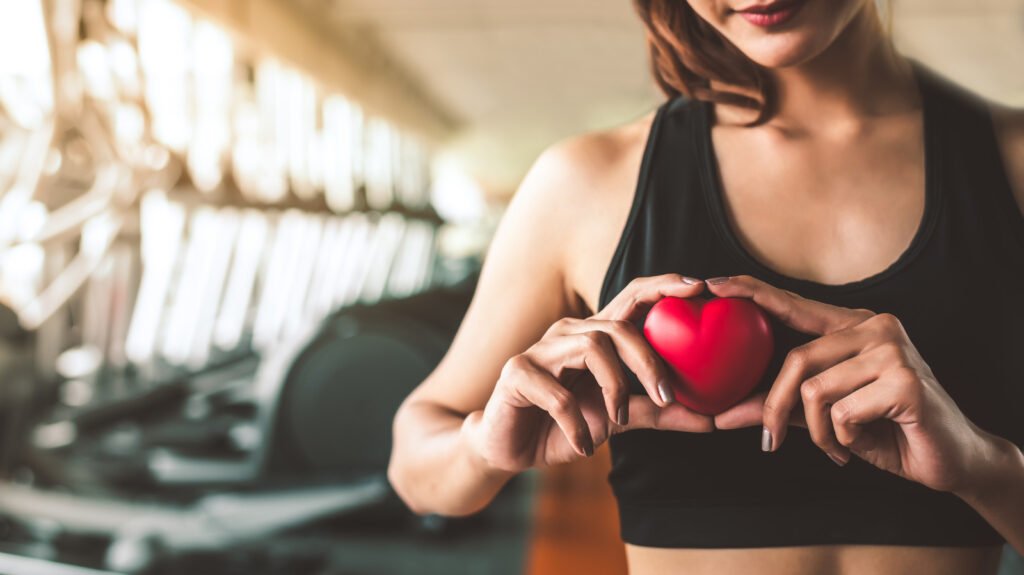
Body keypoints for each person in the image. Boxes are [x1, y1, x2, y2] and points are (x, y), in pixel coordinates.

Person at [387, 0, 1024, 573]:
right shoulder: (587, 183)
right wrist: (480, 447)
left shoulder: (1013, 164)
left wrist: (986, 470)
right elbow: (415, 463)